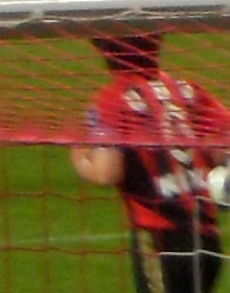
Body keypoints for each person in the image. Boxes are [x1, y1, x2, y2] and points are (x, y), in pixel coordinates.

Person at [71, 34, 230, 293]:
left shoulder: (112, 99)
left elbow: (107, 172)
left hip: (160, 239)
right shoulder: (186, 89)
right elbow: (224, 143)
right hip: (208, 240)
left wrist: (79, 157)